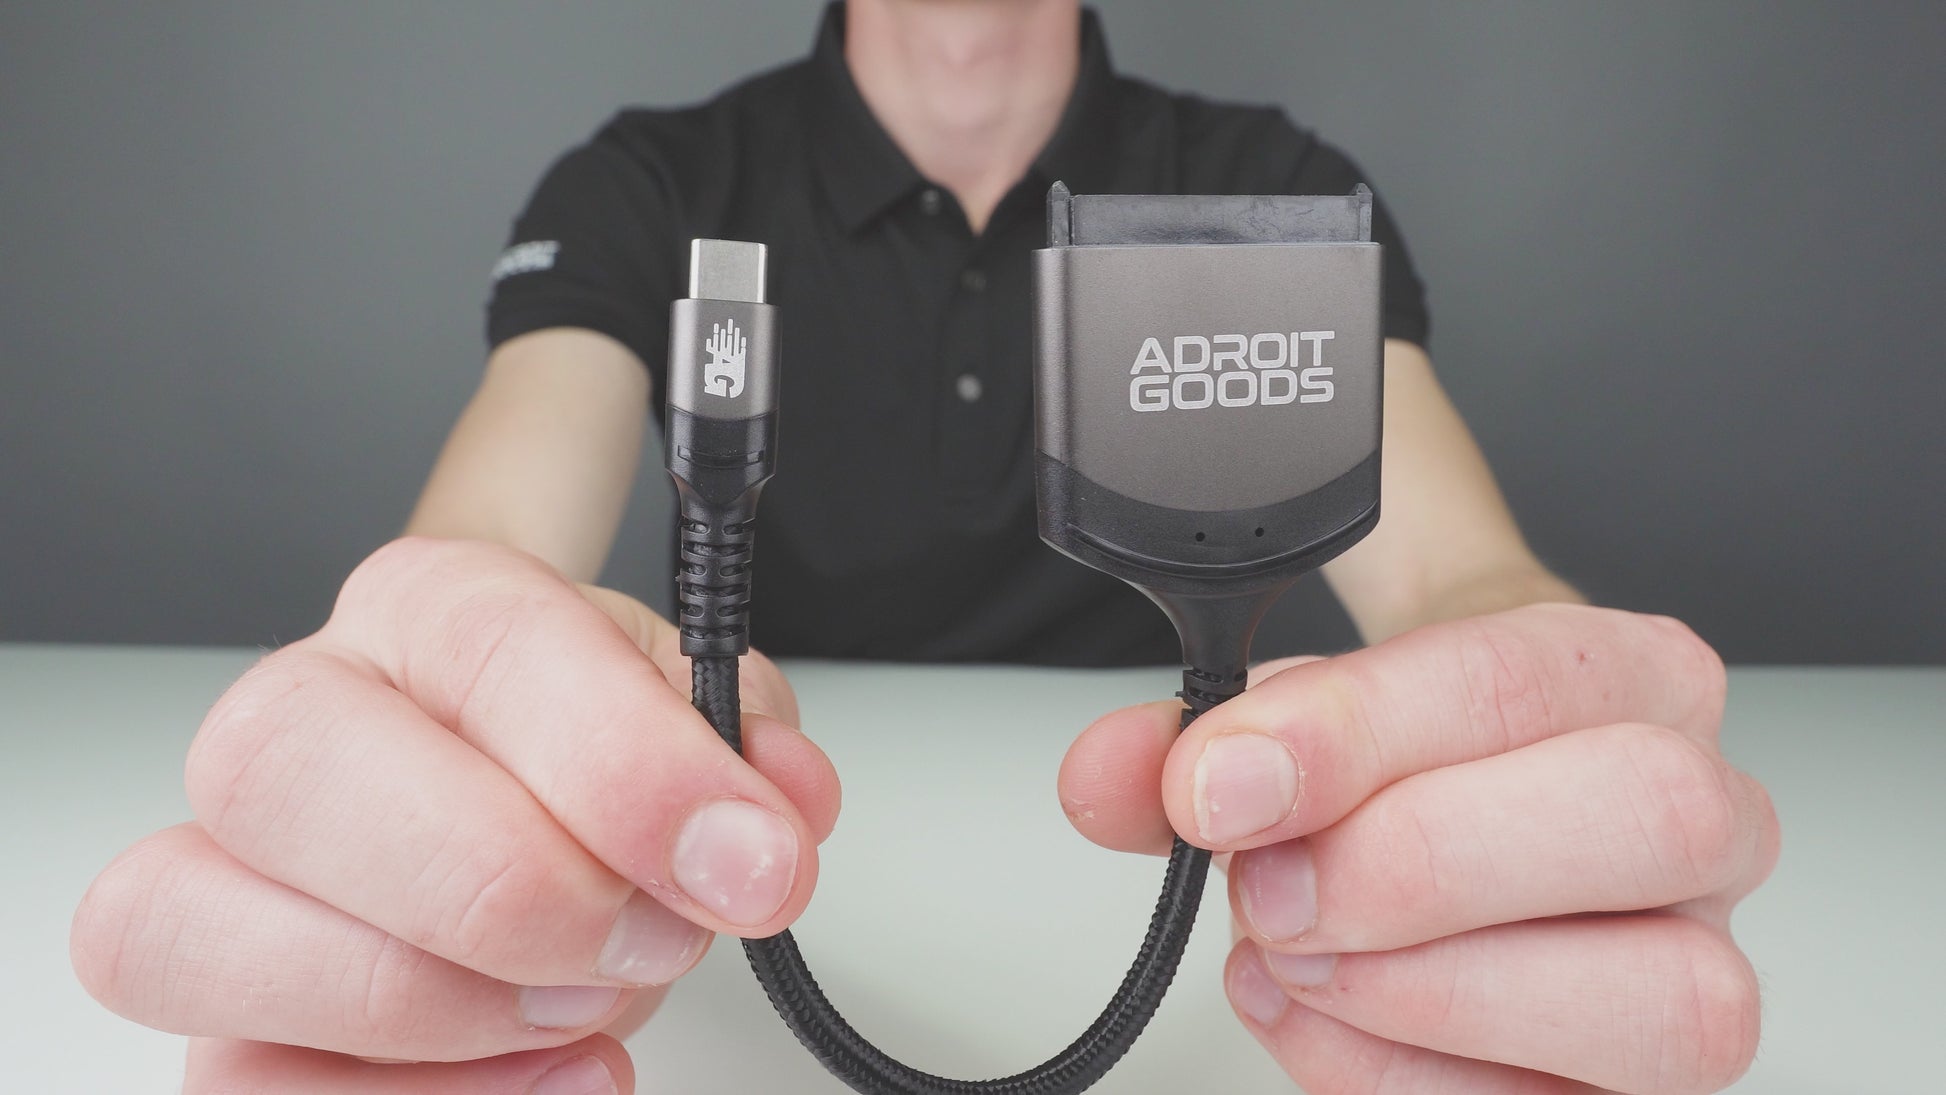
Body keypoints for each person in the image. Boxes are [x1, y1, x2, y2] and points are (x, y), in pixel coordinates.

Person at [70, 2, 1778, 1092]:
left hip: (1169, 858)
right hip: (777, 864)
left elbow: (1467, 589)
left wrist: (1544, 714)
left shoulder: (1267, 184)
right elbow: (484, 553)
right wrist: (434, 681)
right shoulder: (655, 184)